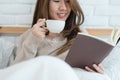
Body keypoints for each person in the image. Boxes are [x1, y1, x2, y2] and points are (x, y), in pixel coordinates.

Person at [7, 0, 104, 74]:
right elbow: (16, 74)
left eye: (67, 1)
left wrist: (96, 71)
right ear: (45, 4)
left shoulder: (81, 36)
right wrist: (33, 40)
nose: (63, 8)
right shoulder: (29, 36)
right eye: (56, 0)